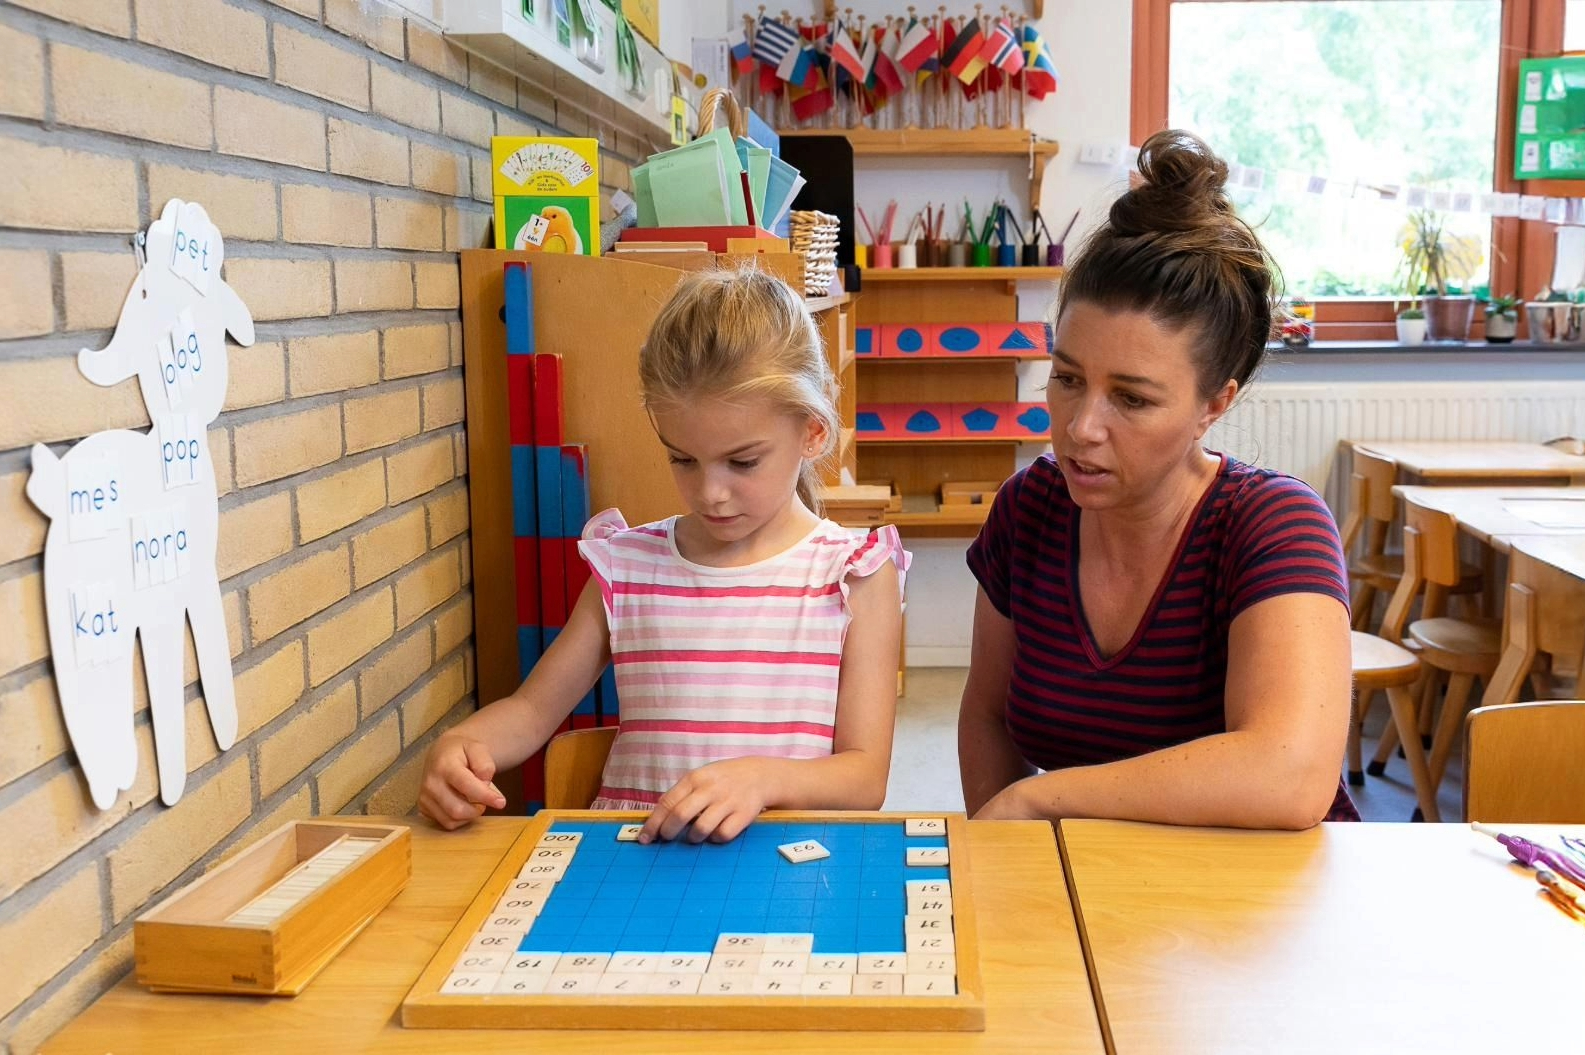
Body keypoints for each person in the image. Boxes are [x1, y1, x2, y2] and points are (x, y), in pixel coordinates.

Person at [418, 268, 908, 842]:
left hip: (784, 867)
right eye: (683, 460)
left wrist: (761, 781)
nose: (710, 492)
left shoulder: (854, 574)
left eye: (742, 462)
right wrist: (459, 748)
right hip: (635, 867)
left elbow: (863, 776)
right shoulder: (627, 566)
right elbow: (530, 713)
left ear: (814, 432)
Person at [958, 129, 1356, 829]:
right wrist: (1008, 863)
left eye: (1132, 399)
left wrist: (1040, 797)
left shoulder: (1272, 523)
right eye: (1068, 379)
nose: (1082, 426)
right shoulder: (1030, 512)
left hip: (1262, 908)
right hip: (1104, 892)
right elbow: (988, 715)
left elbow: (1290, 773)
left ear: (1214, 404)